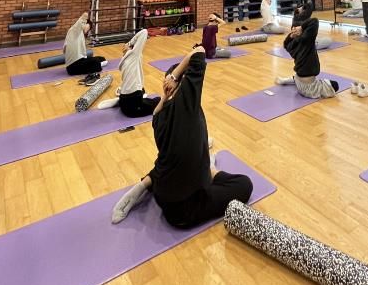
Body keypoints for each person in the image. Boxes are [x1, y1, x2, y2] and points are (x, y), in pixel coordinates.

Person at [111, 46, 253, 226]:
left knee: (170, 157)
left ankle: (144, 185)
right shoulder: (188, 107)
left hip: (162, 192)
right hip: (182, 210)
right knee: (244, 184)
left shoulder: (158, 115)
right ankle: (211, 169)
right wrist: (175, 75)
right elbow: (199, 52)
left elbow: (175, 128)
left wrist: (167, 89)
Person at [276, 16, 340, 99]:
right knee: (335, 85)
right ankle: (288, 80)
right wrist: (301, 27)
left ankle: (286, 80)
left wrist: (291, 36)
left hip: (300, 83)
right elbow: (314, 21)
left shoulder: (291, 46)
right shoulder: (306, 40)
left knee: (305, 76)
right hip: (309, 89)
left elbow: (285, 44)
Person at [115, 29, 160, 117]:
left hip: (123, 101)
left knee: (151, 98)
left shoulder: (124, 59)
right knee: (159, 101)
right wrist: (130, 43)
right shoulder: (134, 54)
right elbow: (144, 32)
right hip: (132, 106)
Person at [64, 12, 106, 85]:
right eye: (88, 27)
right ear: (84, 24)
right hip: (72, 67)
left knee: (101, 58)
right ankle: (93, 76)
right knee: (96, 62)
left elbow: (65, 49)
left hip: (79, 61)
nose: (87, 30)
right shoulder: (74, 30)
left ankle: (100, 63)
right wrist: (86, 16)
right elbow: (84, 16)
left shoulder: (80, 34)